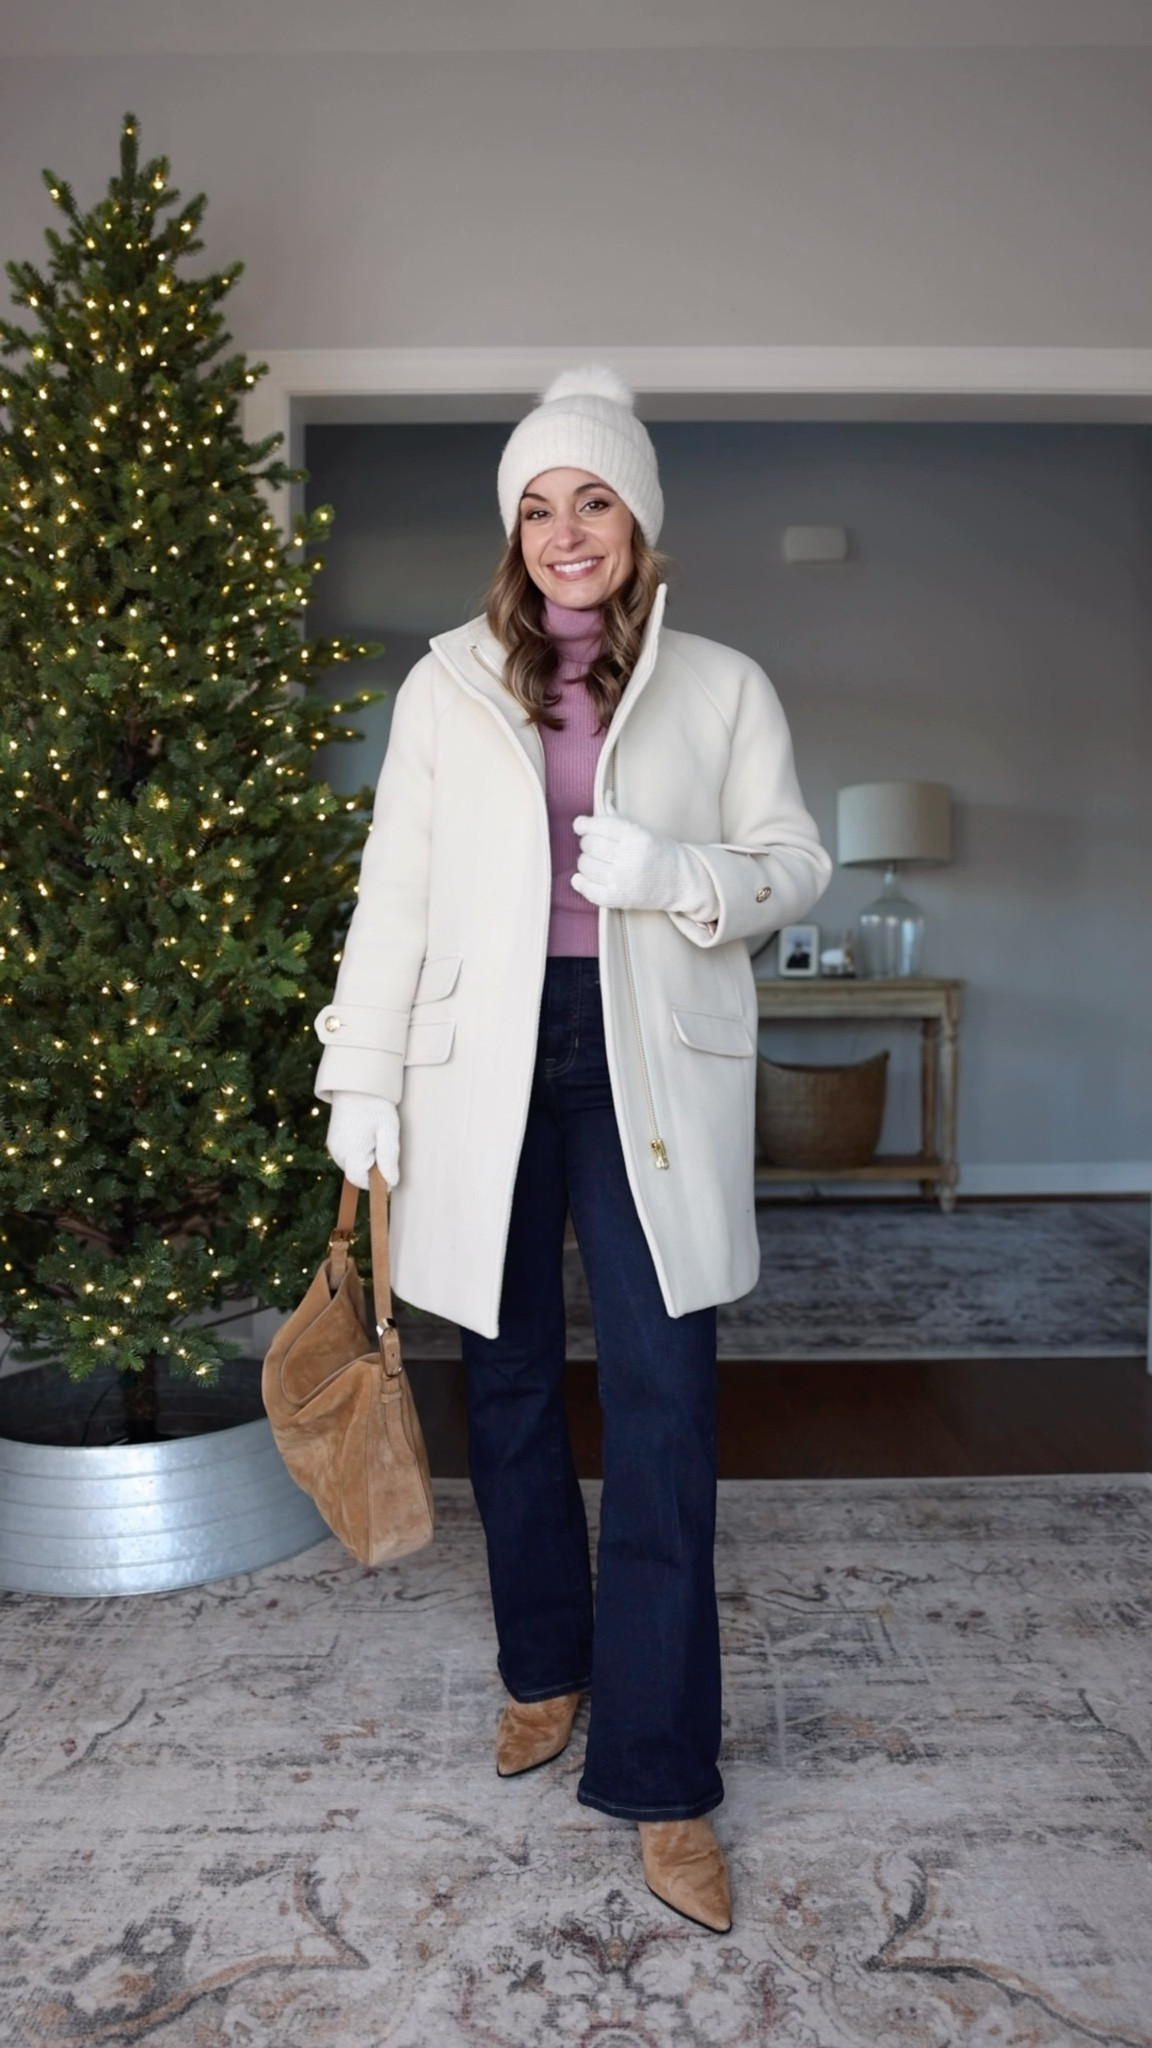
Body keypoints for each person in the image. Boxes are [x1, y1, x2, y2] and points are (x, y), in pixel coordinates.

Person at [315, 366, 831, 1932]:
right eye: (537, 506)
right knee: (513, 1372)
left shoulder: (724, 686)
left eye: (590, 497)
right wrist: (362, 1072)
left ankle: (666, 1777)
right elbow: (396, 893)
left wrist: (680, 871)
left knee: (667, 1396)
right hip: (483, 1059)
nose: (563, 531)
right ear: (513, 532)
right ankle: (544, 1665)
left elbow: (796, 863)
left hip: (645, 1055)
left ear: (639, 518)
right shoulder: (445, 687)